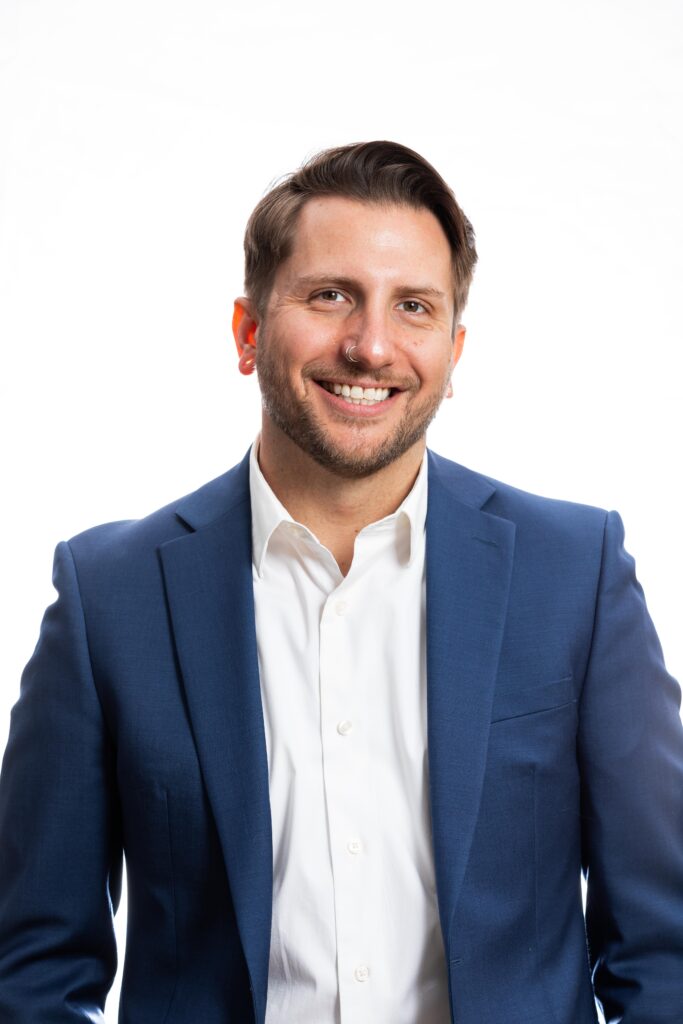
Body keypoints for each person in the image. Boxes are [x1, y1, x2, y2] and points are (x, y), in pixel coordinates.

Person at [0, 140, 681, 1024]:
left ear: (452, 350)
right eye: (330, 297)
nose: (369, 346)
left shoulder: (574, 574)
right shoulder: (110, 598)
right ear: (248, 331)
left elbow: (664, 949)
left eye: (413, 307)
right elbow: (32, 965)